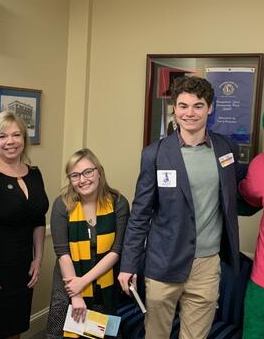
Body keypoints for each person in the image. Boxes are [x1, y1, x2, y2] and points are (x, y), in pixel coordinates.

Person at [118, 76, 245, 338]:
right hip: (164, 262)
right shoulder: (155, 153)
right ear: (174, 109)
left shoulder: (226, 148)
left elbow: (239, 194)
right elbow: (140, 214)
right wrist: (128, 265)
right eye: (183, 106)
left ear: (210, 108)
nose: (190, 113)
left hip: (207, 264)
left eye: (198, 106)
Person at [0, 111, 48, 338]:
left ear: (24, 139)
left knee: (15, 330)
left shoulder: (34, 174)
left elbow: (38, 219)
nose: (10, 141)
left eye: (16, 135)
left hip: (22, 270)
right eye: (3, 136)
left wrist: (38, 258)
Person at [46, 148, 129, 338]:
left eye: (87, 172)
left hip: (103, 276)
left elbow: (116, 250)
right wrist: (75, 294)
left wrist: (83, 282)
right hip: (68, 278)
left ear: (99, 171)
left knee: (101, 331)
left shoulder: (118, 203)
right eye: (75, 175)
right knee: (61, 330)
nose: (82, 180)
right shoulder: (62, 204)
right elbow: (62, 253)